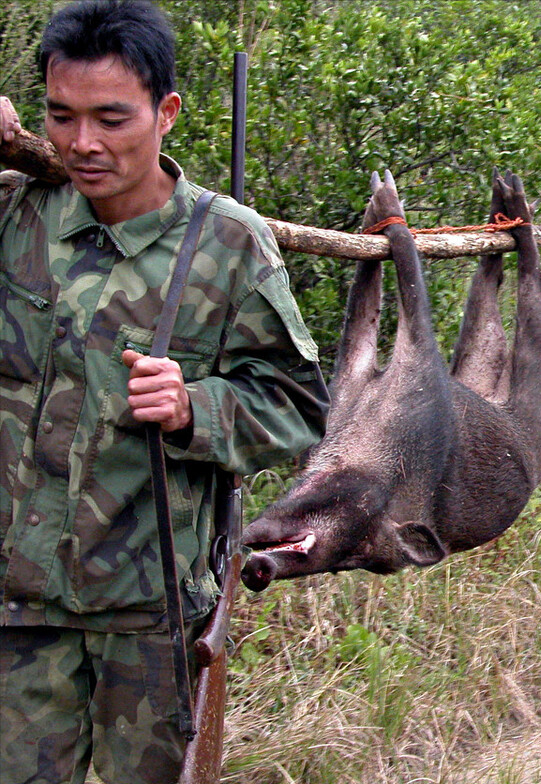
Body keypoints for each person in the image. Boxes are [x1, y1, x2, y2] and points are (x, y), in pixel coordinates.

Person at [0, 2, 329, 782]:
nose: (83, 143)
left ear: (166, 113)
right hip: (18, 610)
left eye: (112, 118)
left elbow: (302, 408)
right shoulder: (17, 213)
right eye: (61, 116)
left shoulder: (228, 246)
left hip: (147, 624)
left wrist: (197, 408)